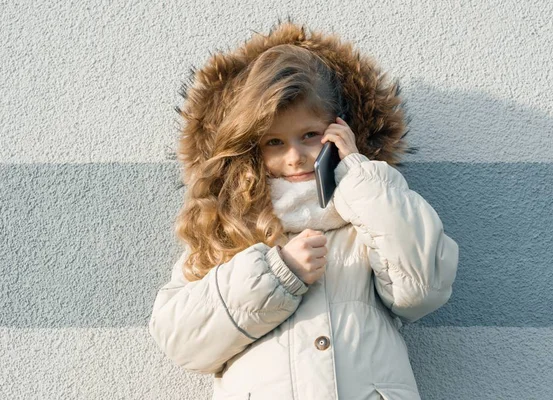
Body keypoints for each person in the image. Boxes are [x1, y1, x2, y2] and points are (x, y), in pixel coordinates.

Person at [149, 19, 459, 400]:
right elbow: (181, 340)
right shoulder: (229, 225)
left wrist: (359, 175)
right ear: (250, 148)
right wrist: (276, 275)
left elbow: (422, 290)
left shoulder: (370, 211)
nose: (294, 157)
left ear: (337, 130)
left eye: (309, 135)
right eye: (274, 142)